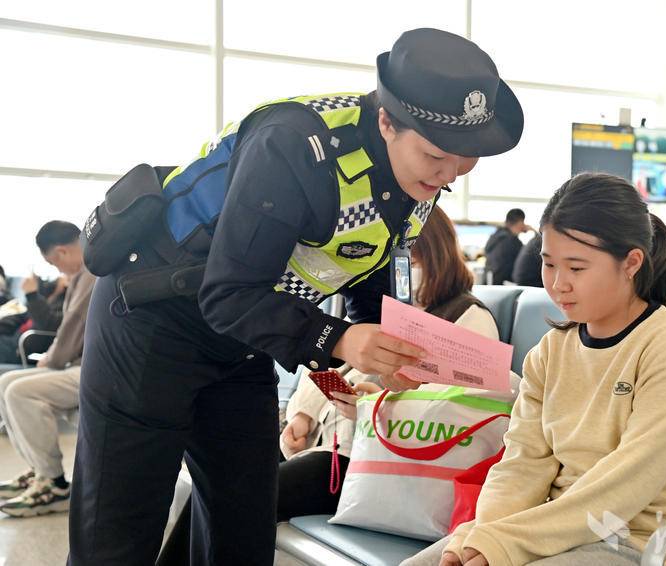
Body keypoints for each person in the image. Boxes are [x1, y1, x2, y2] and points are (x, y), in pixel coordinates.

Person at [69, 28, 523, 566]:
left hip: (242, 344)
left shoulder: (417, 182)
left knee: (243, 526)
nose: (448, 176)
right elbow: (228, 292)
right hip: (153, 324)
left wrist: (394, 350)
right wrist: (340, 340)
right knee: (119, 532)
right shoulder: (294, 146)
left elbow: (364, 272)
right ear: (386, 122)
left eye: (466, 162)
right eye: (435, 157)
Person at [402, 173, 666, 566]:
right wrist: (482, 537)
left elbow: (625, 485)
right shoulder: (550, 352)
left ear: (631, 263)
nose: (558, 285)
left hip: (650, 544)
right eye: (549, 264)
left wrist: (505, 544)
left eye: (576, 268)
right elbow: (521, 465)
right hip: (556, 534)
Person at [156, 204, 504, 565]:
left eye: (410, 260)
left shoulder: (466, 316)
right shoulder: (384, 315)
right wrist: (304, 415)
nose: (402, 275)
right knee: (220, 482)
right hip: (333, 444)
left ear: (436, 256)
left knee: (238, 497)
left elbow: (467, 409)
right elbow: (335, 366)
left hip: (363, 461)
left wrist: (378, 405)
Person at [0, 221, 95, 517]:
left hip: (95, 367)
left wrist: (51, 359)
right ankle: (38, 470)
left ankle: (54, 483)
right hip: (78, 361)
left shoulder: (91, 272)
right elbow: (67, 327)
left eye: (55, 262)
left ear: (63, 251)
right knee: (6, 382)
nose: (58, 270)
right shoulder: (82, 274)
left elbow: (72, 328)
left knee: (20, 391)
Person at [484, 208, 531, 284]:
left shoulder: (495, 236)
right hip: (504, 285)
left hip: (490, 282)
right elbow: (527, 260)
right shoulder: (512, 241)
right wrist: (534, 232)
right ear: (520, 223)